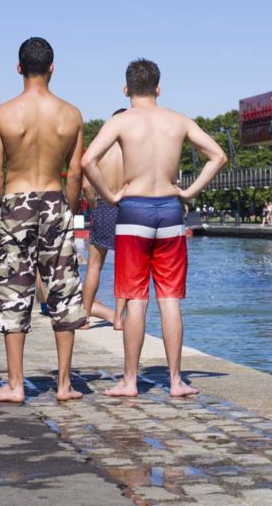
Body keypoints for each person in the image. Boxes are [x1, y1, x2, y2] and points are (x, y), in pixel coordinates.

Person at [82, 59, 227, 399]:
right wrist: (189, 191)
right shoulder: (178, 121)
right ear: (158, 89)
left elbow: (87, 161)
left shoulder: (121, 121)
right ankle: (176, 381)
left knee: (135, 299)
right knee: (170, 299)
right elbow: (218, 156)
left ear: (126, 89)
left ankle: (130, 381)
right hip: (171, 211)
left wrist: (110, 195)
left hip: (133, 211)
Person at [0, 37, 87, 405]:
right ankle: (63, 385)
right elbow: (74, 174)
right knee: (63, 291)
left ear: (18, 67)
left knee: (15, 291)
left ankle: (14, 385)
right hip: (55, 200)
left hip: (16, 200)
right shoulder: (71, 114)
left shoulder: (1, 114)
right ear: (53, 67)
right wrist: (68, 211)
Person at [81, 108, 128, 330]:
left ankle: (85, 317)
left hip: (103, 207)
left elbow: (86, 184)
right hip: (127, 208)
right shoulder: (133, 149)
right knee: (124, 268)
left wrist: (93, 205)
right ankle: (119, 319)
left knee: (93, 267)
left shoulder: (100, 149)